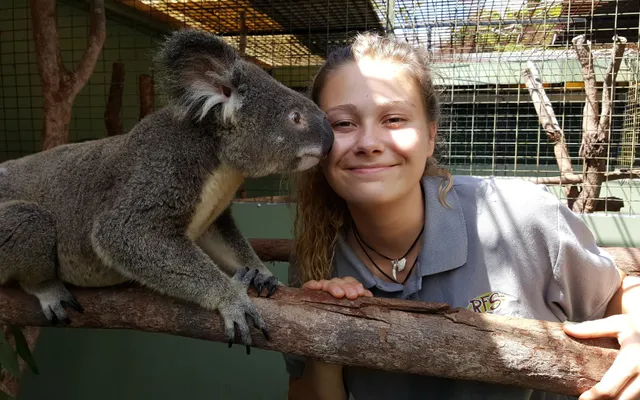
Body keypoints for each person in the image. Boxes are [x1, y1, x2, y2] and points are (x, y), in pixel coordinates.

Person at [282, 32, 640, 400]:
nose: (369, 143)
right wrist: (326, 339)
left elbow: (617, 292)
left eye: (393, 119)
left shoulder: (522, 216)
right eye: (343, 124)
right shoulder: (317, 256)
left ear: (430, 135)